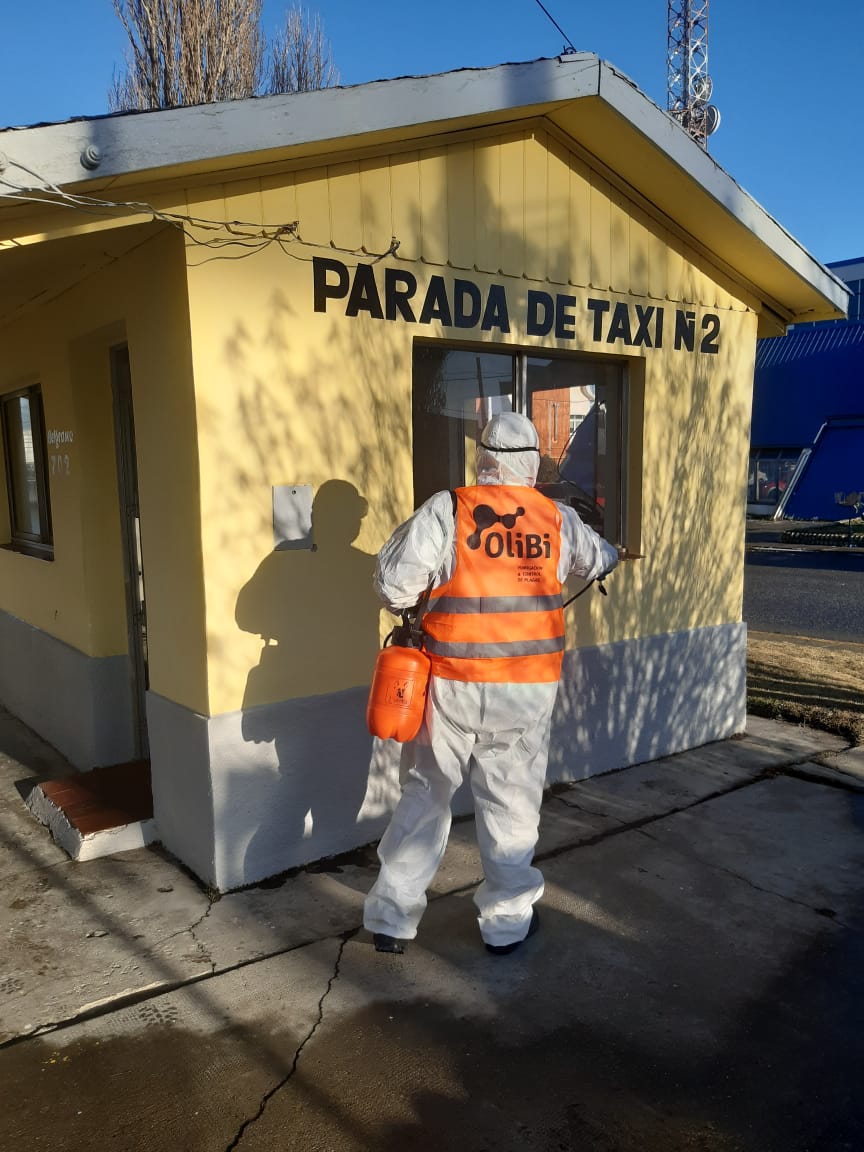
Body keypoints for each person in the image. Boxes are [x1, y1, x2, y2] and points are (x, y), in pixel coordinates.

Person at [364, 411, 621, 956]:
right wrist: (611, 553)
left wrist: (417, 603)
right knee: (511, 804)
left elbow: (393, 585)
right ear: (530, 463)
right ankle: (505, 924)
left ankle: (391, 920)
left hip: (450, 685)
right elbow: (599, 558)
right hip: (526, 690)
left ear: (482, 457)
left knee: (427, 796)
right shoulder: (554, 517)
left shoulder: (449, 508)